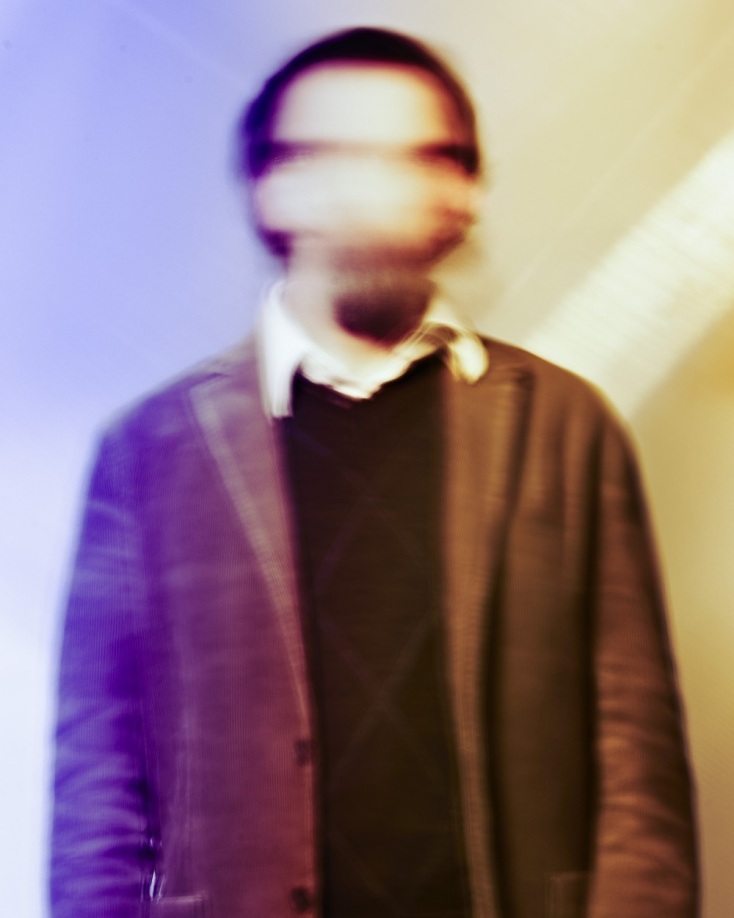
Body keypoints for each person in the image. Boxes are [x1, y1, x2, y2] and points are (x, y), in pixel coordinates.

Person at [50, 26, 698, 918]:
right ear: (270, 188)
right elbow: (100, 780)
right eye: (330, 155)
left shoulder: (565, 426)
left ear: (462, 193)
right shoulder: (152, 448)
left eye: (413, 156)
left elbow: (637, 765)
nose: (369, 191)